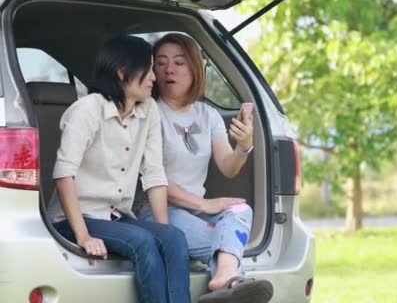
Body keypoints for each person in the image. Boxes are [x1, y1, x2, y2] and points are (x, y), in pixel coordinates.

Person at [47, 35, 191, 303]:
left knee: (173, 238)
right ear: (122, 73)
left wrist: (163, 235)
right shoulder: (87, 110)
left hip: (116, 216)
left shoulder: (148, 109)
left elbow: (154, 173)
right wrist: (84, 235)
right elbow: (64, 174)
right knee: (142, 242)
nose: (154, 77)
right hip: (76, 217)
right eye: (147, 70)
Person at [134, 33, 273, 303]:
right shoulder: (148, 110)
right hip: (157, 211)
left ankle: (225, 279)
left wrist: (244, 145)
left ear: (196, 67)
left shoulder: (207, 115)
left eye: (179, 62)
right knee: (226, 245)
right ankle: (230, 280)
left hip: (196, 211)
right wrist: (205, 204)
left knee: (241, 209)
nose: (168, 69)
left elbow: (228, 167)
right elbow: (154, 177)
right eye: (160, 63)